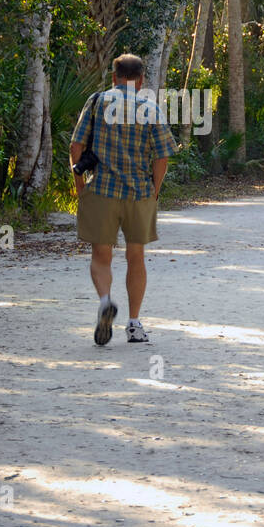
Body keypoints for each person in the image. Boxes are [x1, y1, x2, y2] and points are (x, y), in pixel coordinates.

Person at [70, 53, 178, 346]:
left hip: (102, 191)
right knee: (136, 257)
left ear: (114, 76)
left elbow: (76, 145)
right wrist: (154, 191)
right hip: (139, 193)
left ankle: (105, 301)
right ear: (141, 79)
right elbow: (162, 156)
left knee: (101, 256)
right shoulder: (150, 107)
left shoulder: (96, 101)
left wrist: (80, 184)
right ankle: (134, 324)